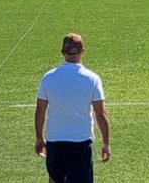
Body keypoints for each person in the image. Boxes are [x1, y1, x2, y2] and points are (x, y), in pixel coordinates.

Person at [35, 34, 110, 182]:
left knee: (54, 179)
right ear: (83, 51)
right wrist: (106, 143)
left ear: (62, 52)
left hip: (55, 141)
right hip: (81, 142)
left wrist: (39, 138)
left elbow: (40, 111)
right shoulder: (92, 79)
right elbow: (101, 114)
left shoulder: (48, 78)